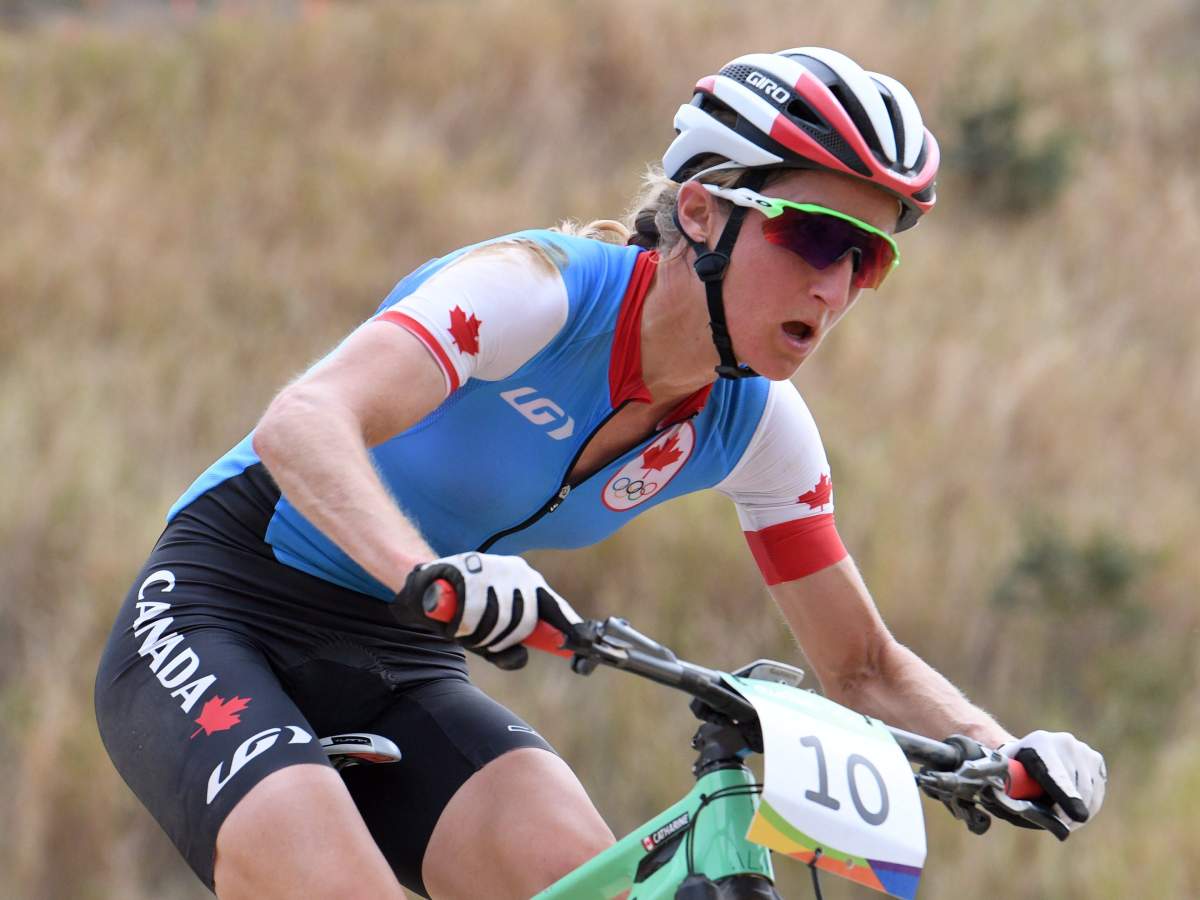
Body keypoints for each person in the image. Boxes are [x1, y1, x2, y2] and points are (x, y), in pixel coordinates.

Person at [94, 46, 1106, 899]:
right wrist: (423, 570)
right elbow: (304, 420)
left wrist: (1004, 747)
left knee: (599, 882)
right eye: (812, 236)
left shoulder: (759, 425)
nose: (835, 286)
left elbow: (862, 666)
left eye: (869, 258)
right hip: (218, 614)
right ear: (703, 213)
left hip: (403, 657)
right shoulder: (535, 296)